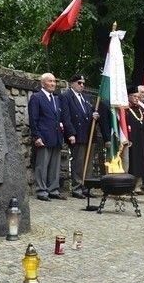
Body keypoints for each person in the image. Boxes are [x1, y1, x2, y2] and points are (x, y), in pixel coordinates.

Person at [28, 73, 74, 201]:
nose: (53, 84)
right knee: (42, 165)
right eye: (50, 81)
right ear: (43, 83)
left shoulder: (56, 99)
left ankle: (53, 189)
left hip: (56, 137)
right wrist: (36, 136)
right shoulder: (36, 98)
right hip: (43, 137)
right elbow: (33, 119)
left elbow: (60, 118)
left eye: (54, 81)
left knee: (55, 165)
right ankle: (41, 191)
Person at [59, 74, 97, 199]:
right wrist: (70, 133)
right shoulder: (66, 96)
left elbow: (89, 114)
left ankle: (87, 187)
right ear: (72, 83)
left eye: (83, 83)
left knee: (89, 162)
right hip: (77, 133)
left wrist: (95, 116)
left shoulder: (86, 97)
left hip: (89, 134)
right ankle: (77, 188)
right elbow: (66, 117)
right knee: (78, 161)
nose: (82, 85)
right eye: (79, 83)